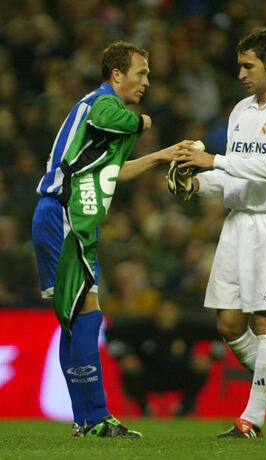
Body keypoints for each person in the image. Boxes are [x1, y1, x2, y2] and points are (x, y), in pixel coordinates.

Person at [32, 40, 190, 439]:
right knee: (87, 312)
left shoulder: (98, 120)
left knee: (76, 319)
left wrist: (159, 156)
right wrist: (144, 123)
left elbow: (114, 172)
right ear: (117, 74)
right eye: (141, 73)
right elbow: (111, 116)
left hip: (63, 217)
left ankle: (86, 419)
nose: (147, 82)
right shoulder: (102, 103)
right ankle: (96, 416)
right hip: (67, 215)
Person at [173, 28, 266, 438]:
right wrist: (199, 184)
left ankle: (250, 420)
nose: (241, 74)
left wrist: (211, 160)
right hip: (238, 222)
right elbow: (233, 178)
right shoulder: (240, 112)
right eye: (239, 66)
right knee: (230, 325)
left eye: (248, 65)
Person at [106, 298, 223, 416]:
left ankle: (184, 407)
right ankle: (144, 408)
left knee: (201, 369)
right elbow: (109, 334)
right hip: (148, 373)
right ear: (155, 313)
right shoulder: (141, 328)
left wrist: (212, 357)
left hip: (180, 374)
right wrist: (122, 355)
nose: (166, 315)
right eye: (162, 311)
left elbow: (221, 334)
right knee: (129, 370)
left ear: (177, 313)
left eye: (170, 311)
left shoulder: (189, 327)